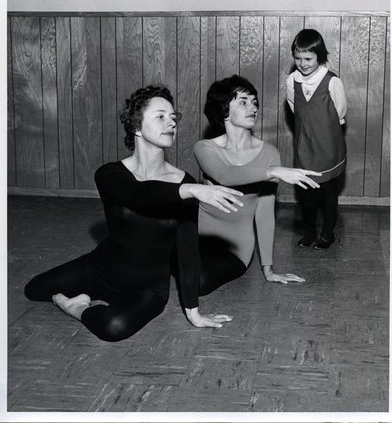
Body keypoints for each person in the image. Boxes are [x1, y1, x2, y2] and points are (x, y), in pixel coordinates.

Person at [24, 86, 245, 342]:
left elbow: (187, 250)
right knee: (34, 289)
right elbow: (139, 193)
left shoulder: (185, 183)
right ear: (137, 127)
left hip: (147, 287)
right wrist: (189, 189)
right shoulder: (110, 175)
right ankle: (86, 295)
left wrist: (193, 313)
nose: (171, 122)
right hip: (100, 269)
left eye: (173, 117)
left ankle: (77, 307)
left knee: (114, 328)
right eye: (160, 116)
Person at [194, 74, 322, 290]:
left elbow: (264, 213)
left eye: (254, 102)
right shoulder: (205, 148)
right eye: (243, 102)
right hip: (197, 239)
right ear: (224, 109)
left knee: (198, 282)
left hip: (235, 249)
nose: (252, 107)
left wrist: (268, 269)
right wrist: (273, 172)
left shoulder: (269, 153)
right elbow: (225, 175)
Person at [286, 28, 347, 249]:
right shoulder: (292, 80)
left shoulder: (331, 81)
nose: (303, 63)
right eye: (298, 58)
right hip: (305, 145)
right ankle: (310, 231)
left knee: (328, 194)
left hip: (328, 146)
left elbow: (340, 111)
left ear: (319, 56)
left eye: (308, 59)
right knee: (307, 195)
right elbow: (295, 108)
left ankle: (327, 233)